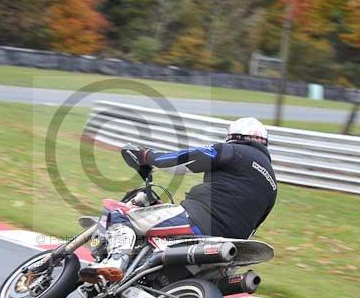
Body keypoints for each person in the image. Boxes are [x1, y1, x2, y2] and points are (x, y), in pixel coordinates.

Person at [79, 117, 278, 283]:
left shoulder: (233, 151)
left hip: (197, 220)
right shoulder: (273, 186)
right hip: (228, 244)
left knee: (120, 214)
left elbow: (186, 159)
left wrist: (148, 157)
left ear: (233, 137)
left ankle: (116, 261)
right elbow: (253, 228)